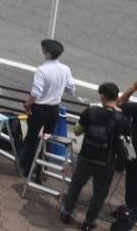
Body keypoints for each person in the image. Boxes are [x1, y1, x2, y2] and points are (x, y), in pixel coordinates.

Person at [60, 83, 129, 230]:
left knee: (76, 185)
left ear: (102, 97)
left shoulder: (91, 112)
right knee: (100, 193)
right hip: (106, 162)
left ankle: (66, 212)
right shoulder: (122, 120)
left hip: (85, 157)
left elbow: (77, 131)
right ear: (117, 97)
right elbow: (126, 145)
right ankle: (88, 222)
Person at [19, 39, 75, 177]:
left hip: (39, 110)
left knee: (32, 138)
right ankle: (42, 168)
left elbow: (36, 93)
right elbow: (71, 89)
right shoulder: (65, 69)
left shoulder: (42, 70)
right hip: (54, 110)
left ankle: (27, 168)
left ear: (48, 53)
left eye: (43, 49)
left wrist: (27, 104)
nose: (41, 51)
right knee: (47, 138)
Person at [117, 80, 137, 211]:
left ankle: (130, 208)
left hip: (133, 149)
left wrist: (133, 88)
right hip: (132, 148)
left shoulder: (135, 108)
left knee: (131, 179)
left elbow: (119, 103)